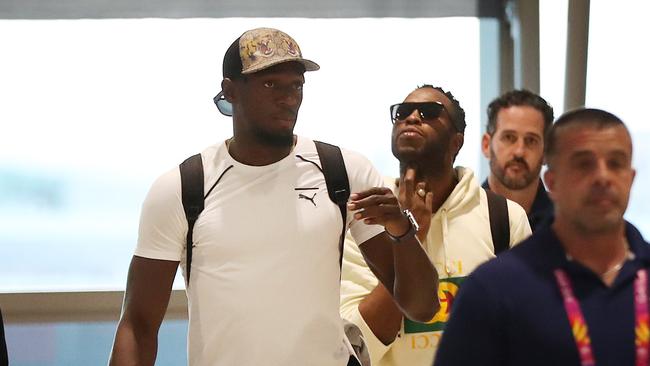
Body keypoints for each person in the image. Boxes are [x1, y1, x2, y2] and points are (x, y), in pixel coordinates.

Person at [108, 27, 438, 366]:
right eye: (270, 85)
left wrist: (401, 230)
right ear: (230, 91)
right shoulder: (182, 187)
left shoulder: (342, 171)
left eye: (296, 85)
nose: (289, 97)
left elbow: (422, 307)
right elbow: (138, 324)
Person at [435, 108, 645, 365]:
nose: (602, 177)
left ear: (631, 178)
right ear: (552, 181)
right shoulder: (493, 288)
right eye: (584, 164)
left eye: (616, 163)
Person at [340, 85, 531, 366]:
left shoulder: (503, 218)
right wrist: (409, 236)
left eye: (429, 113)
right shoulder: (366, 218)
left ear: (457, 141)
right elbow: (358, 346)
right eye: (402, 112)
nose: (412, 118)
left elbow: (526, 336)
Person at [481, 89, 554, 231]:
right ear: (486, 145)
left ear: (546, 152)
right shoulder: (459, 218)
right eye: (509, 137)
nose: (519, 151)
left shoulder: (568, 225)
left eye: (531, 140)